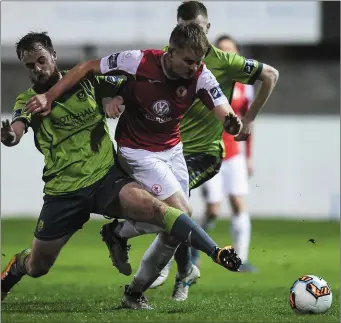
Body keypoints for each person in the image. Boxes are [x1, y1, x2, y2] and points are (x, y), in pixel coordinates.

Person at [1, 31, 242, 302]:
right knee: (37, 267)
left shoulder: (86, 82)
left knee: (164, 212)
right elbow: (18, 126)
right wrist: (12, 135)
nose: (37, 69)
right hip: (64, 192)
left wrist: (118, 99)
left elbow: (127, 87)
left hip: (107, 180)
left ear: (53, 55)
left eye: (41, 60)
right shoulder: (28, 100)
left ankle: (211, 254)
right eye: (30, 65)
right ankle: (15, 270)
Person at [101, 0, 279, 305]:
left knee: (173, 213)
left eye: (197, 29)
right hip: (163, 150)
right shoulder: (168, 58)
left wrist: (246, 120)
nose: (192, 36)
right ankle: (180, 270)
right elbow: (129, 82)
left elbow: (270, 75)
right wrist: (115, 96)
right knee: (172, 215)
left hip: (202, 154)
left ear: (207, 29)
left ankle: (128, 238)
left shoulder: (221, 63)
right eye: (186, 29)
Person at [191, 34, 257, 272]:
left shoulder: (244, 88)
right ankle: (194, 250)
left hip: (234, 154)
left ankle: (241, 258)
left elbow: (249, 123)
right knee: (213, 209)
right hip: (210, 153)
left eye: (232, 51)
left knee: (239, 204)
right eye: (223, 51)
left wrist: (248, 156)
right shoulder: (206, 82)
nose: (229, 56)